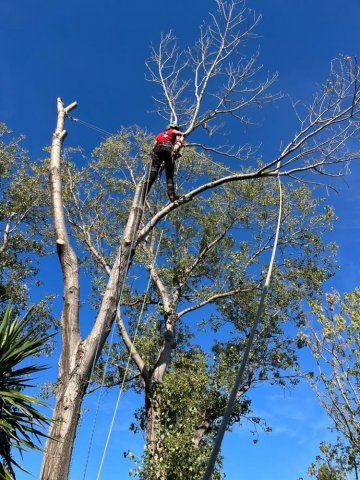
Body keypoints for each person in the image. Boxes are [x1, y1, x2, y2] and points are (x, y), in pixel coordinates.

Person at [145, 123, 185, 201]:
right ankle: (171, 195)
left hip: (158, 150)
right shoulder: (173, 131)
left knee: (154, 171)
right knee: (169, 174)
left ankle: (146, 189)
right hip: (168, 149)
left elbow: (154, 145)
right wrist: (182, 134)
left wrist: (152, 152)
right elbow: (178, 134)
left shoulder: (160, 135)